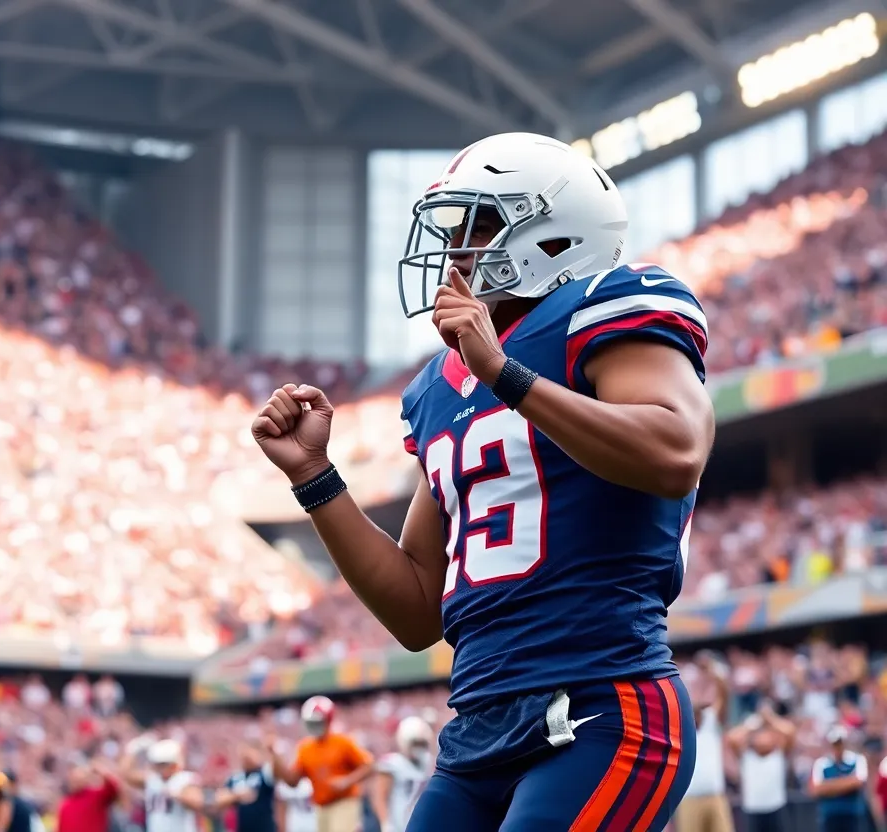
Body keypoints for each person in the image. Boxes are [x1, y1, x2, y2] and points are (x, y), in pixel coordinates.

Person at [251, 132, 710, 831]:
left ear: (556, 234)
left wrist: (505, 375)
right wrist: (315, 478)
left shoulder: (605, 304)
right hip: (476, 725)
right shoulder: (440, 384)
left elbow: (676, 450)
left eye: (481, 224)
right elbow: (415, 610)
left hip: (599, 702)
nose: (457, 250)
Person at [271, 697, 374, 832]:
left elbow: (369, 765)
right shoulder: (305, 748)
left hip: (344, 801)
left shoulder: (342, 742)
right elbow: (292, 781)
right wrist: (275, 757)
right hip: (320, 806)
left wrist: (347, 781)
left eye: (318, 722)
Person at [118, 738, 234, 832]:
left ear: (173, 764)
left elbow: (199, 802)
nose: (159, 768)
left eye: (163, 764)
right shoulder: (153, 779)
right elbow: (126, 774)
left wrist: (178, 796)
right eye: (158, 764)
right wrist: (132, 749)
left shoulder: (184, 779)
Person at [677, 653, 734, 832]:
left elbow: (724, 695)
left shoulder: (711, 719)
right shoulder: (679, 725)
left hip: (715, 795)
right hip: (689, 799)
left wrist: (713, 671)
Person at [728, 702, 795, 832]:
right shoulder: (746, 754)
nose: (763, 738)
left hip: (776, 808)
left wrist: (770, 719)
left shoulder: (778, 752)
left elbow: (790, 732)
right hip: (752, 810)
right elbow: (732, 738)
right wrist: (754, 723)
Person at [372, 717, 434, 832]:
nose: (419, 748)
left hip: (421, 821)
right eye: (416, 743)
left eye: (422, 743)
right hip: (398, 824)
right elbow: (380, 798)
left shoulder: (428, 761)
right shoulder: (392, 764)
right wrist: (385, 823)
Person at [811, 726, 869, 832]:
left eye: (840, 743)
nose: (838, 747)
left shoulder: (858, 759)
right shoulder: (821, 763)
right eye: (835, 744)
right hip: (830, 817)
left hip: (852, 816)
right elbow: (817, 789)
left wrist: (829, 787)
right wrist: (846, 783)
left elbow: (858, 782)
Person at [223, 741, 277, 832]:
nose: (246, 758)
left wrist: (273, 753)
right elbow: (222, 796)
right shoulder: (236, 777)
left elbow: (277, 772)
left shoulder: (265, 773)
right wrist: (236, 796)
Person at [55, 760, 119, 832]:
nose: (75, 782)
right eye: (73, 779)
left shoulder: (96, 796)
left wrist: (101, 771)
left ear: (85, 780)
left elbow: (114, 788)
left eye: (78, 779)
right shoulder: (65, 804)